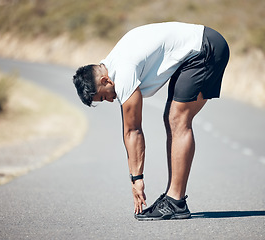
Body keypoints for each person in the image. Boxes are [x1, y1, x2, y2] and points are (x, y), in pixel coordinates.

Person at [73, 22, 229, 221]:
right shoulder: (114, 63)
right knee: (172, 118)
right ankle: (174, 198)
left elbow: (133, 130)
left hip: (205, 48)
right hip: (200, 47)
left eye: (104, 97)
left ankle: (176, 201)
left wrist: (136, 179)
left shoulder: (123, 73)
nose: (111, 100)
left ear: (105, 81)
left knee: (178, 119)